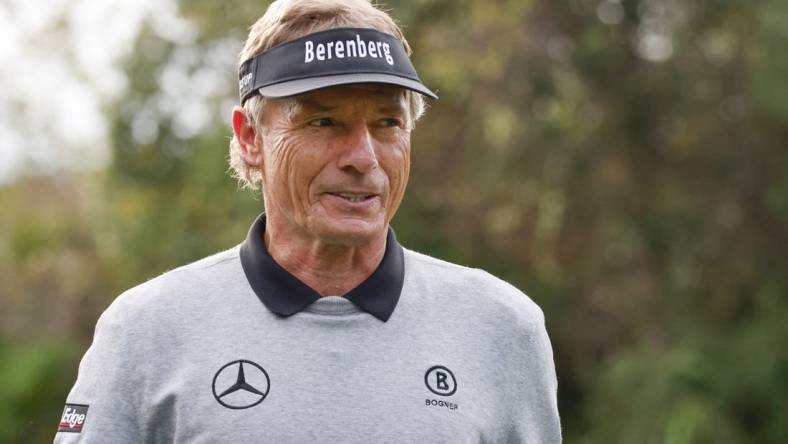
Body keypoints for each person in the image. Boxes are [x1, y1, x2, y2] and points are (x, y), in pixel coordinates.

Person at [55, 0, 562, 442]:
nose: (363, 157)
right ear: (251, 137)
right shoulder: (146, 331)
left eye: (388, 123)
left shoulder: (502, 328)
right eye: (324, 121)